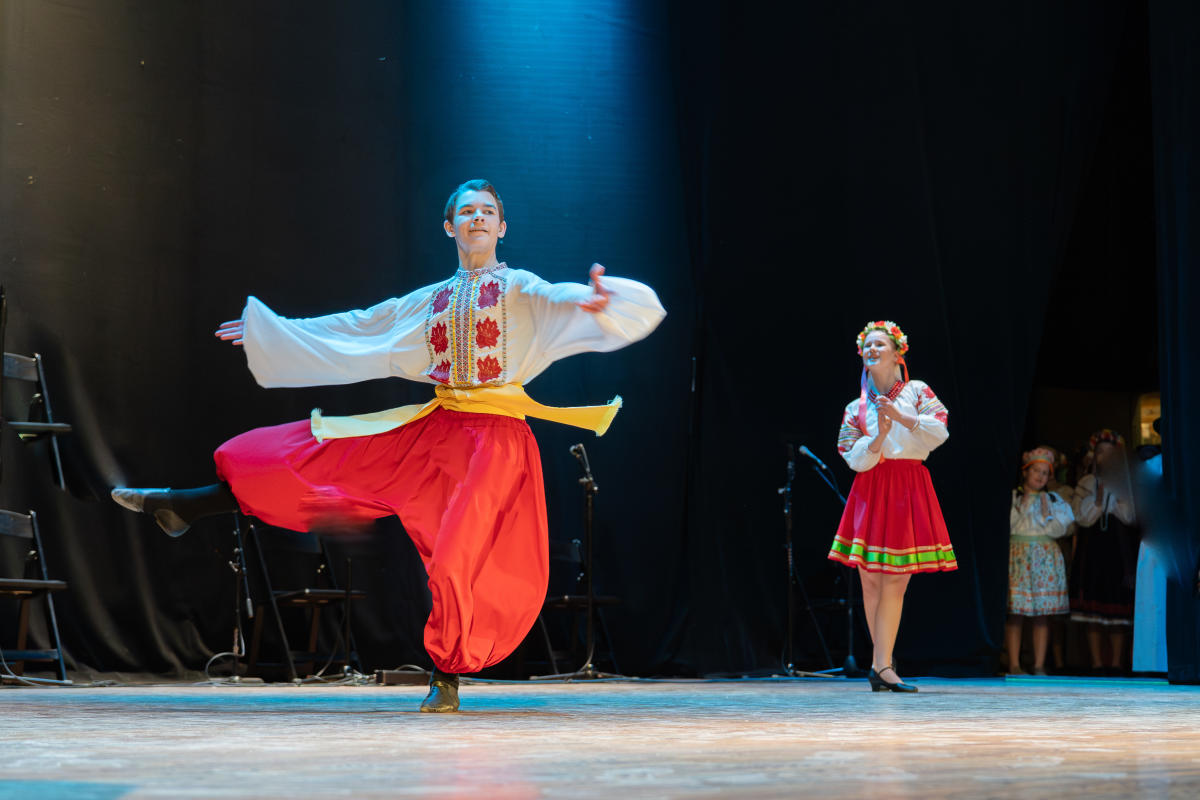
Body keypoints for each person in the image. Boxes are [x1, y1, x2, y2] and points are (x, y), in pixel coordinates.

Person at [111, 179, 666, 711]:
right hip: (438, 429)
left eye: (487, 213)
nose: (478, 218)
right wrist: (276, 331)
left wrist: (597, 298)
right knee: (315, 458)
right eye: (467, 212)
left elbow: (558, 298)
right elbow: (357, 326)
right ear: (449, 226)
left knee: (456, 555)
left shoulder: (520, 286)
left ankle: (445, 673)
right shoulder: (432, 300)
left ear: (502, 227)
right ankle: (183, 504)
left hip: (494, 443)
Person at [828, 320, 955, 693]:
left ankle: (881, 664)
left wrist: (900, 417)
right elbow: (852, 456)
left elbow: (940, 430)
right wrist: (880, 436)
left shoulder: (917, 391)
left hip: (906, 485)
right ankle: (881, 663)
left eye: (879, 344)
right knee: (870, 578)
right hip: (871, 485)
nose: (871, 350)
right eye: (866, 346)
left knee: (895, 579)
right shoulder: (857, 407)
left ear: (898, 353)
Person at [1070, 429, 1139, 675]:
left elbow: (1131, 517)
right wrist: (1098, 503)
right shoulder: (1086, 483)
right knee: (1093, 610)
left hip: (1118, 552)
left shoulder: (1127, 484)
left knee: (1117, 608)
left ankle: (1117, 663)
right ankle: (1097, 663)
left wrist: (1118, 501)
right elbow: (1080, 516)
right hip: (1093, 550)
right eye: (1101, 453)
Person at [1005, 447, 1074, 675]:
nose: (1040, 476)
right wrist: (1023, 503)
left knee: (1041, 614)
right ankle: (1014, 663)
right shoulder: (1014, 497)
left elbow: (1062, 528)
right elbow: (1008, 525)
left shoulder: (1053, 499)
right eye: (1036, 471)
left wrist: (1047, 514)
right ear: (1026, 471)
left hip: (1043, 556)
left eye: (1045, 473)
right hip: (1018, 555)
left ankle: (1038, 664)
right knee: (1016, 612)